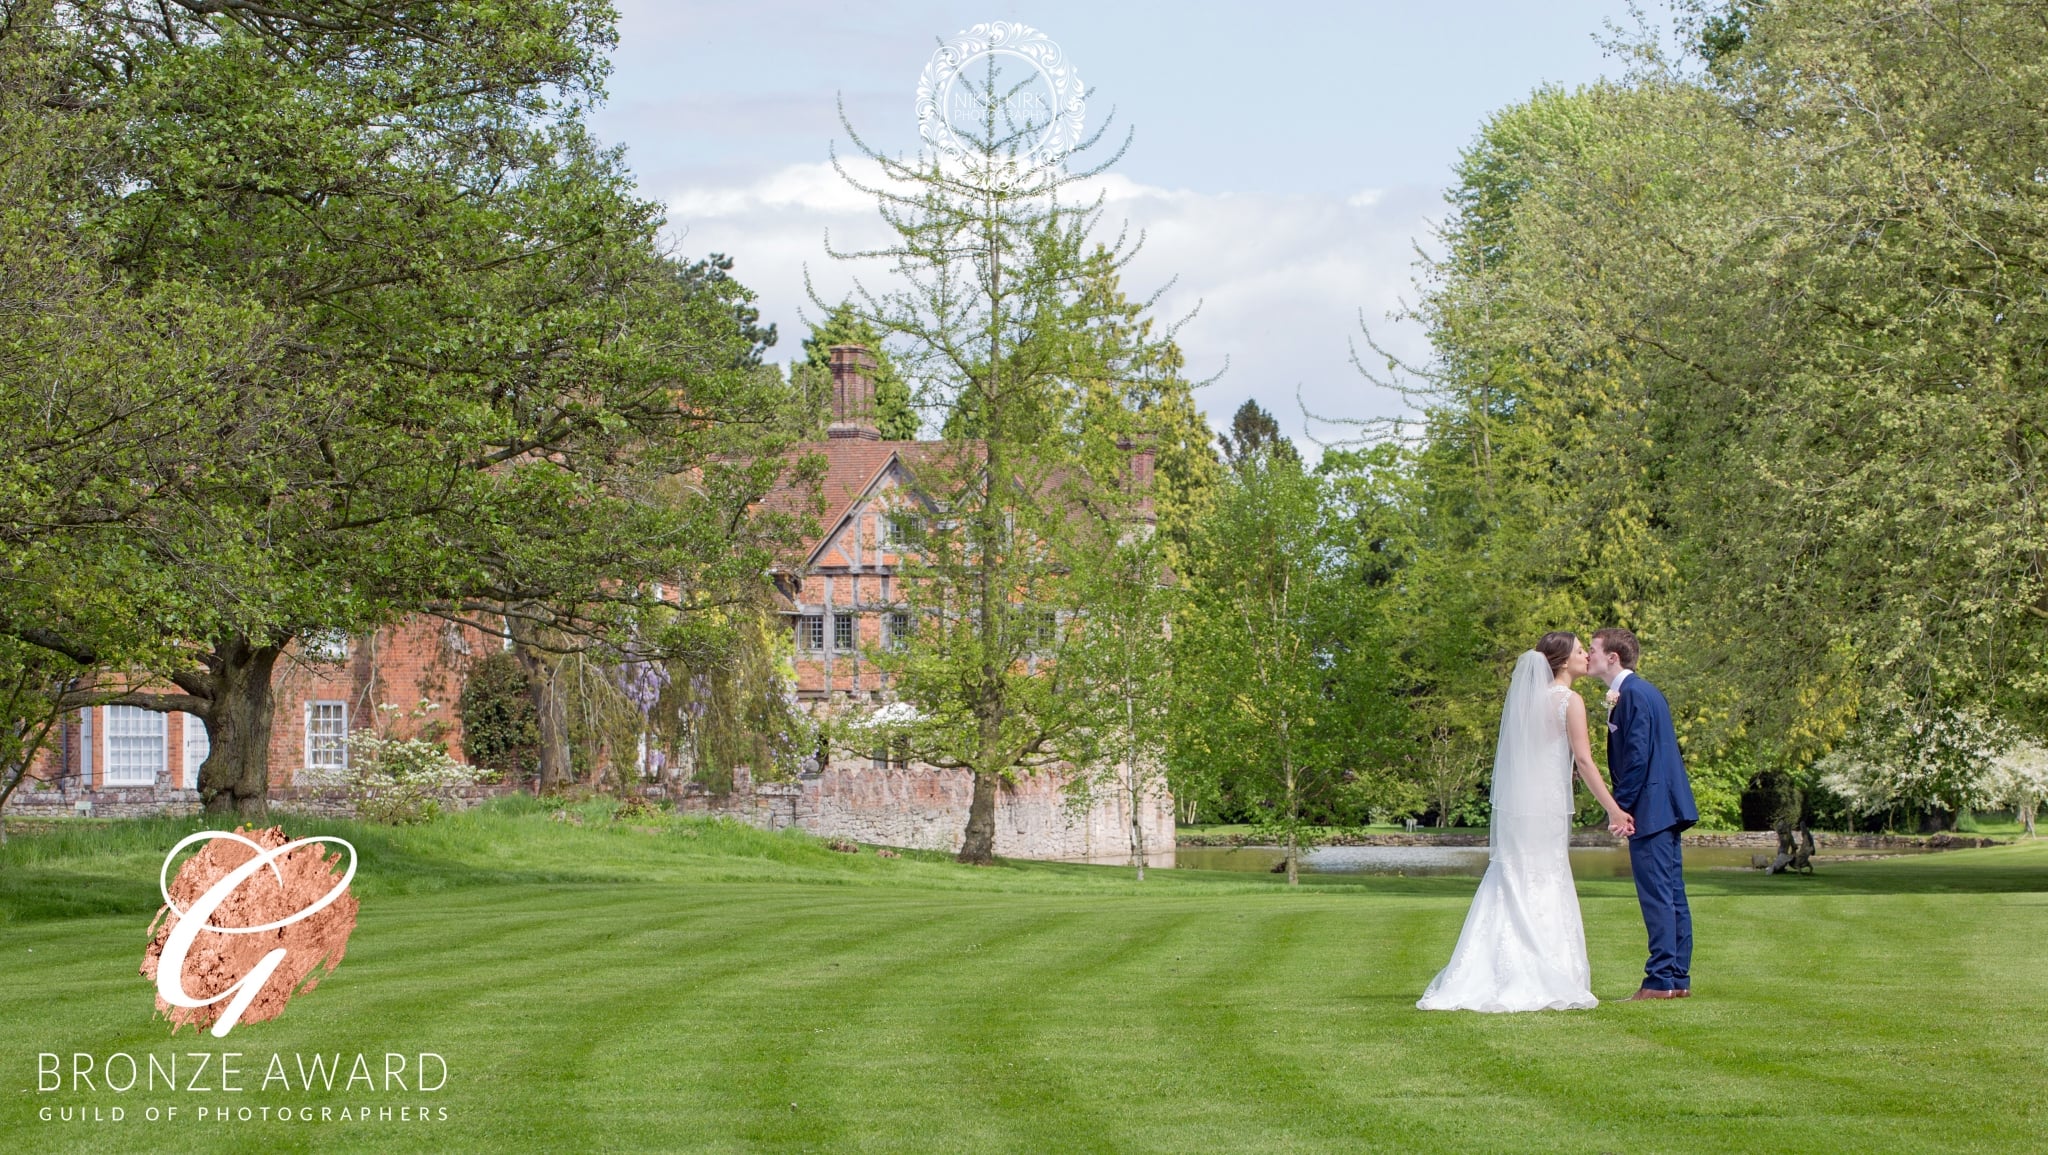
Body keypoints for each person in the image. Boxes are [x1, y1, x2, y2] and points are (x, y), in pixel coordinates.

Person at [1418, 633, 1633, 1012]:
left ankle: (1494, 969)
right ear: (1564, 661)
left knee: (1514, 877)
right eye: (1581, 651)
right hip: (1547, 808)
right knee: (1545, 877)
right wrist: (1613, 809)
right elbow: (1583, 762)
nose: (1587, 656)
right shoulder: (1570, 701)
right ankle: (1543, 969)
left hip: (1522, 809)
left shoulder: (1527, 702)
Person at [1589, 627, 1700, 1001]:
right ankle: (1675, 979)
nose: (1588, 656)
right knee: (1671, 895)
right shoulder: (1642, 692)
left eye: (1593, 649)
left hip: (1651, 809)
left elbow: (1636, 757)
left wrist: (1620, 807)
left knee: (1658, 897)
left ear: (1612, 658)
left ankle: (1658, 981)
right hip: (1664, 806)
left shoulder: (1633, 694)